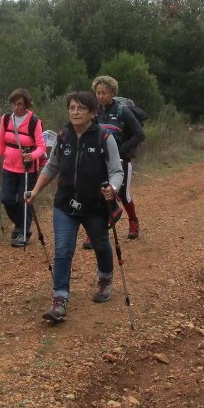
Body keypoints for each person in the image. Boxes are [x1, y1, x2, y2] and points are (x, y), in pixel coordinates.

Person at [25, 90, 123, 323]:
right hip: (65, 204)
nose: (75, 112)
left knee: (100, 244)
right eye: (72, 108)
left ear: (92, 112)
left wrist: (112, 188)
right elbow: (51, 166)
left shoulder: (104, 139)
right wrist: (35, 191)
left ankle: (104, 278)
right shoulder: (64, 136)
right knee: (63, 250)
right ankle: (59, 298)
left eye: (81, 108)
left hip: (95, 205)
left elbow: (116, 171)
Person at [0, 88, 46, 247]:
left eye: (19, 104)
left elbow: (41, 147)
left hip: (28, 169)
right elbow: (1, 142)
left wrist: (32, 156)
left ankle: (24, 232)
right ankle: (21, 225)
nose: (16, 107)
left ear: (26, 105)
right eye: (13, 104)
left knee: (24, 200)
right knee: (6, 199)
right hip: (9, 167)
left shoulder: (34, 121)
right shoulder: (6, 119)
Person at [92, 75, 145, 240]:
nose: (100, 96)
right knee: (97, 193)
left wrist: (121, 150)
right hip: (99, 160)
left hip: (122, 160)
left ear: (112, 92)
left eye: (104, 93)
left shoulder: (123, 111)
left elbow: (139, 134)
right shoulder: (94, 112)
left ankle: (133, 221)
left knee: (122, 194)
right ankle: (96, 230)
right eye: (98, 93)